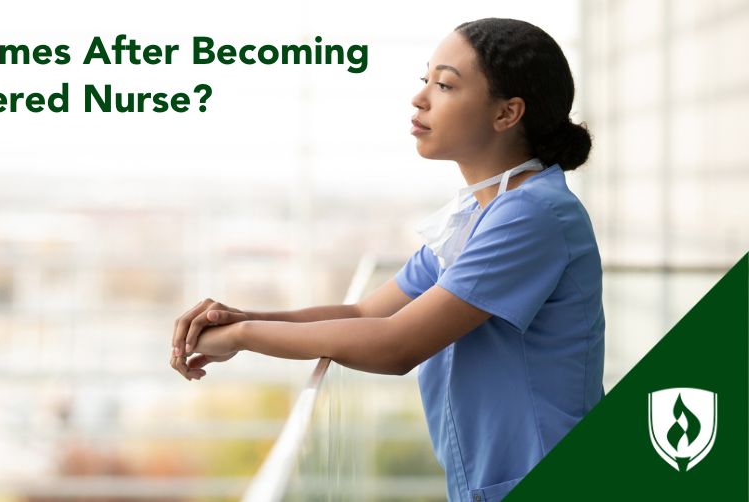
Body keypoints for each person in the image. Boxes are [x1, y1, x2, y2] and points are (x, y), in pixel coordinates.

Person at [170, 17, 604, 502]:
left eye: (444, 85)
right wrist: (243, 315)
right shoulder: (477, 214)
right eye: (426, 82)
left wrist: (245, 337)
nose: (420, 99)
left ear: (507, 114)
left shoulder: (532, 214)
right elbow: (365, 313)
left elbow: (397, 345)